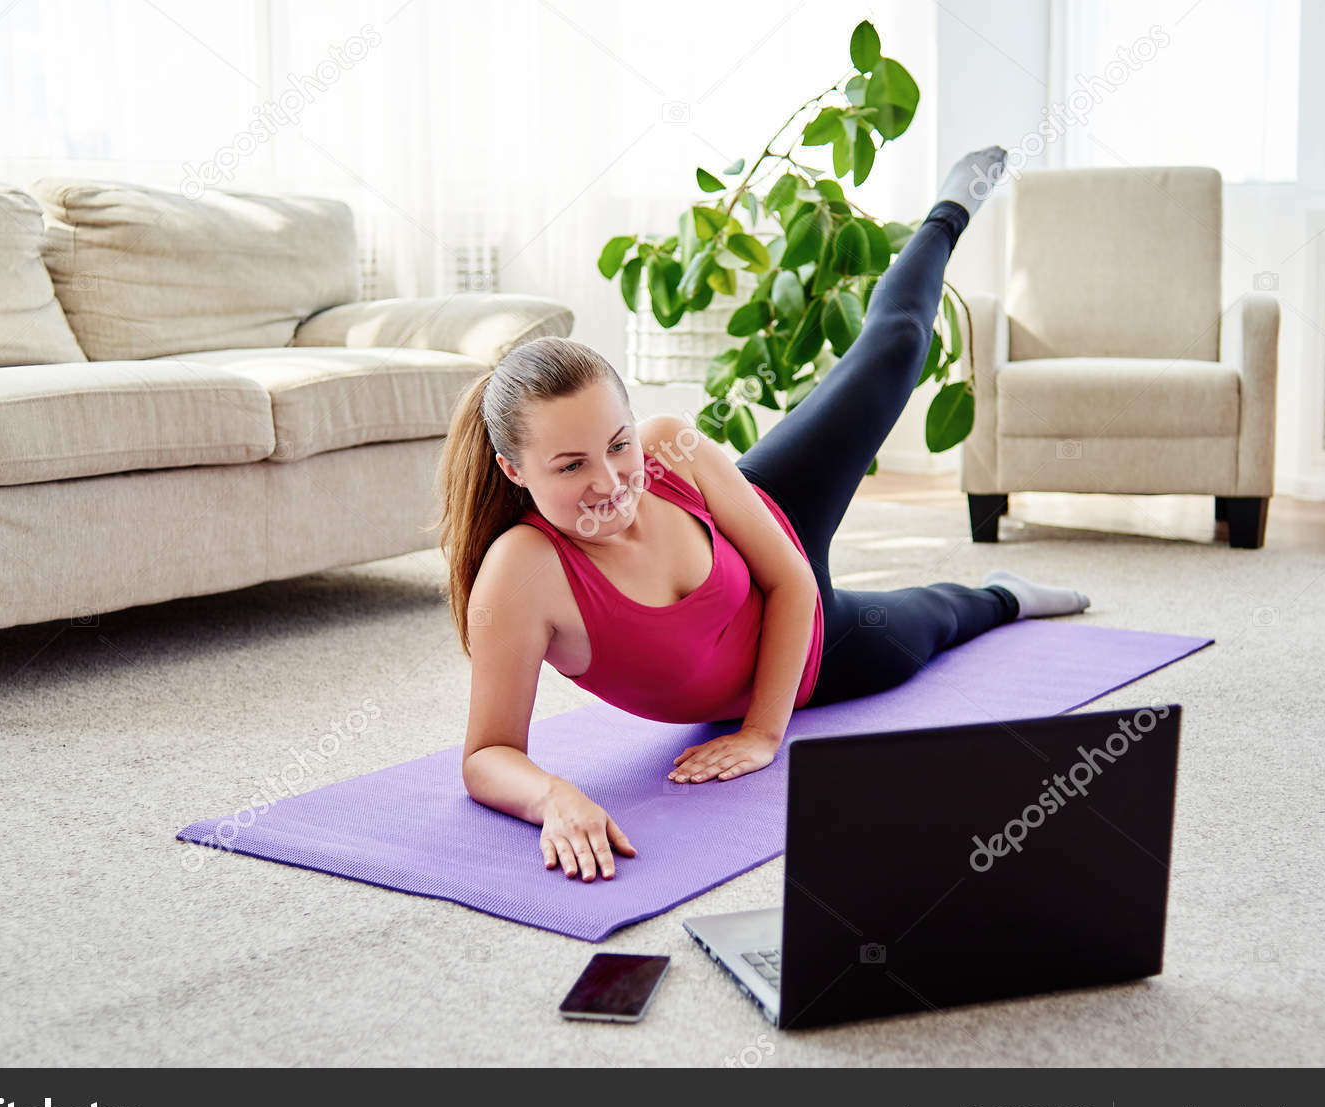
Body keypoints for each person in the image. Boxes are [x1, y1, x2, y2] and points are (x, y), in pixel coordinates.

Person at [433, 146, 1090, 883]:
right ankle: (1006, 595)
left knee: (897, 347)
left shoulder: (670, 448)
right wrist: (554, 796)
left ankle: (949, 211)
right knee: (937, 624)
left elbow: (792, 580)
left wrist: (762, 734)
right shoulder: (522, 574)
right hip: (819, 652)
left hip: (773, 523)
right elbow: (487, 755)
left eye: (617, 444)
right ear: (513, 471)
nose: (613, 480)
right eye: (570, 465)